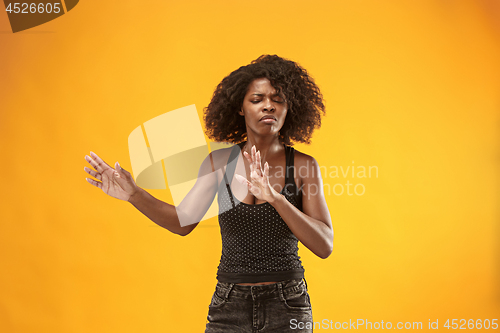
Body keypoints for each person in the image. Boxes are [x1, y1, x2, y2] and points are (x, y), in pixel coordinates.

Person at [84, 54, 333, 332]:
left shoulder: (302, 166)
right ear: (240, 108)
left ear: (290, 108)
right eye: (257, 99)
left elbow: (324, 245)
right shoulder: (219, 164)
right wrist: (134, 195)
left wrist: (276, 198)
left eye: (278, 100)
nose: (268, 107)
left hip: (286, 304)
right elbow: (183, 222)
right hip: (229, 305)